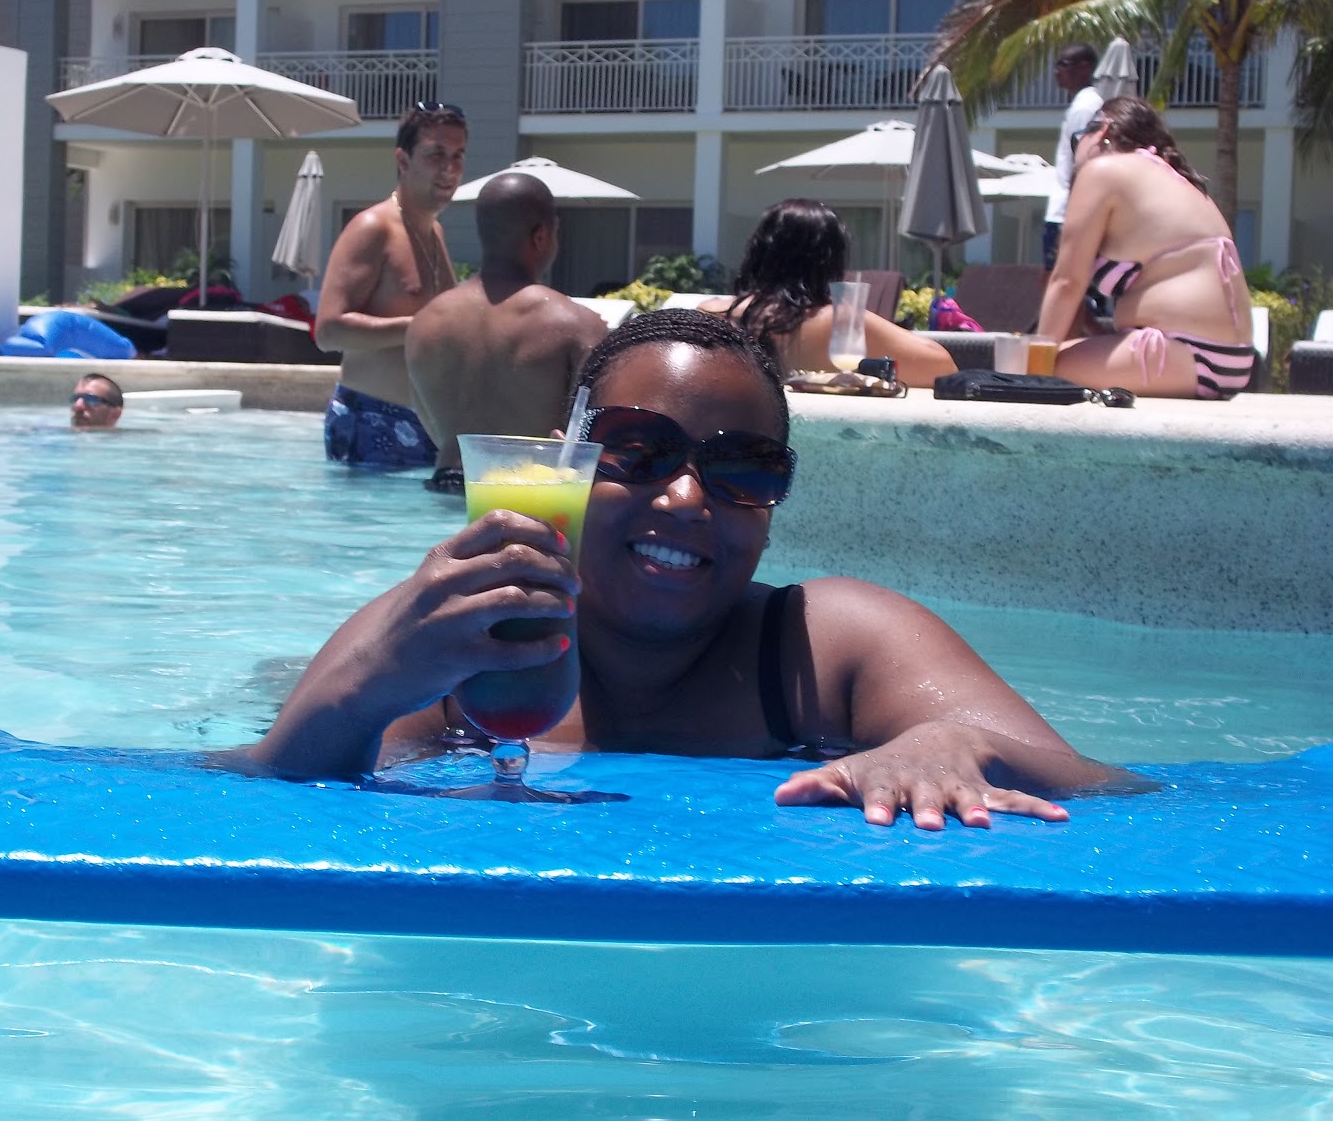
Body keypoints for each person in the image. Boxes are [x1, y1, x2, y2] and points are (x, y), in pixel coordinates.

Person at [220, 309, 1140, 829]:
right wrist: (368, 683)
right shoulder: (457, 636)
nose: (688, 497)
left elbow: (1115, 790)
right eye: (639, 450)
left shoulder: (829, 648)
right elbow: (266, 791)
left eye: (744, 469)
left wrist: (952, 744)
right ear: (565, 461)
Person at [1037, 97, 1255, 399]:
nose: (1075, 154)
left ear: (1103, 130)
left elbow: (1066, 282)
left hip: (1180, 351)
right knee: (1060, 355)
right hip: (1229, 360)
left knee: (1043, 368)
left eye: (1077, 139)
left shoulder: (1103, 171)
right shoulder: (1174, 180)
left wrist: (1032, 368)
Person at [404, 172, 607, 493]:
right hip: (528, 494)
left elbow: (430, 422)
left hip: (444, 485)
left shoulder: (425, 322)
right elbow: (590, 434)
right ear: (541, 236)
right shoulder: (576, 324)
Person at [315, 102, 468, 468]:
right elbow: (328, 331)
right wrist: (417, 327)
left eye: (457, 156)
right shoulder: (373, 229)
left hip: (427, 426)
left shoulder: (434, 233)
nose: (449, 169)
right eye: (435, 155)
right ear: (403, 160)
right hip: (371, 419)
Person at [699, 200, 957, 388]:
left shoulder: (710, 315)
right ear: (830, 261)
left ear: (756, 253)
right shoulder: (837, 323)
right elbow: (943, 366)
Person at [1044, 44, 1104, 271]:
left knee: (1058, 281)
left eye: (1063, 65)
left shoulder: (1085, 108)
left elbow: (1082, 164)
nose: (1056, 72)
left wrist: (1071, 218)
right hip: (1068, 213)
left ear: (1085, 68)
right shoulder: (1083, 105)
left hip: (1066, 214)